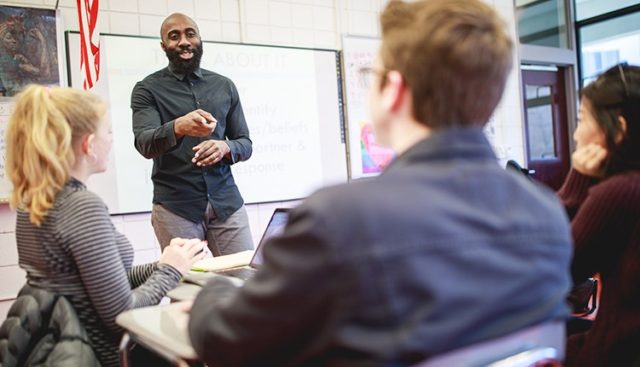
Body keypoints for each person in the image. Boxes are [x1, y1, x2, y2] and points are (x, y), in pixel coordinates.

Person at [186, 1, 573, 365]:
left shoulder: (341, 219)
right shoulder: (547, 213)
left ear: (394, 90)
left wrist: (212, 294)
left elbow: (226, 343)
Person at [4, 85, 205, 367]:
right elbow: (120, 314)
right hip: (105, 356)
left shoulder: (33, 201)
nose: (111, 140)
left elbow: (98, 280)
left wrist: (165, 265)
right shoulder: (81, 207)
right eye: (107, 132)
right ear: (88, 144)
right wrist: (172, 271)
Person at [131, 13, 253, 256]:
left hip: (227, 203)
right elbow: (144, 143)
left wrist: (225, 148)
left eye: (190, 34)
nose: (184, 41)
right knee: (188, 287)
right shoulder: (147, 89)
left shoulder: (224, 85)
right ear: (163, 46)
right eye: (174, 36)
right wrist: (178, 127)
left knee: (245, 284)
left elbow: (245, 143)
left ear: (199, 39)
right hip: (176, 209)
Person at [557, 64, 640, 367]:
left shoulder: (621, 193)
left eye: (581, 120)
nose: (576, 134)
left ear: (618, 129)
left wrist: (577, 182)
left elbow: (553, 269)